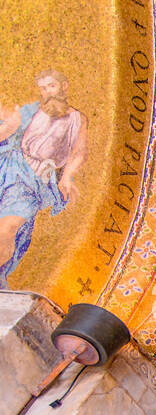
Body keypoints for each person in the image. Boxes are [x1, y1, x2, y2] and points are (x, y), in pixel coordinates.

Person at [0, 70, 87, 287]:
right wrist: (10, 125)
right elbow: (6, 132)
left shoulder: (77, 118)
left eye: (52, 86)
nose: (47, 92)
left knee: (8, 228)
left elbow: (79, 152)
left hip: (33, 183)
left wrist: (67, 177)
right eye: (43, 87)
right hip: (9, 168)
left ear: (64, 86)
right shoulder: (31, 111)